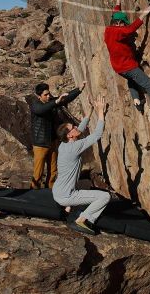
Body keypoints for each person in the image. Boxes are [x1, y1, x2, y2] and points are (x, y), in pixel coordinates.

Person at [104, 4, 150, 124]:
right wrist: (144, 14)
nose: (125, 25)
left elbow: (115, 15)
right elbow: (130, 29)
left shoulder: (108, 30)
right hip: (128, 66)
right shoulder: (118, 31)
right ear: (119, 23)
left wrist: (117, 5)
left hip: (119, 68)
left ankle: (136, 100)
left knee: (131, 79)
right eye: (123, 23)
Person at [53, 95, 110, 235]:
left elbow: (81, 128)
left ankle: (68, 207)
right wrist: (101, 112)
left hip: (58, 191)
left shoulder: (64, 144)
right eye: (73, 128)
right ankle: (83, 220)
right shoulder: (74, 147)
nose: (76, 127)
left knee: (84, 183)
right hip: (65, 195)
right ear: (70, 135)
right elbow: (96, 135)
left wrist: (90, 109)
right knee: (104, 197)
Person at [29, 81, 86, 189]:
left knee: (53, 170)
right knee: (38, 172)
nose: (48, 96)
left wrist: (78, 89)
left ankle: (51, 191)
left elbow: (65, 98)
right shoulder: (36, 105)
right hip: (40, 144)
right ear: (38, 96)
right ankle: (33, 193)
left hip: (52, 141)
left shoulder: (51, 101)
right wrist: (56, 102)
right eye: (45, 95)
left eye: (48, 93)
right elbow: (41, 110)